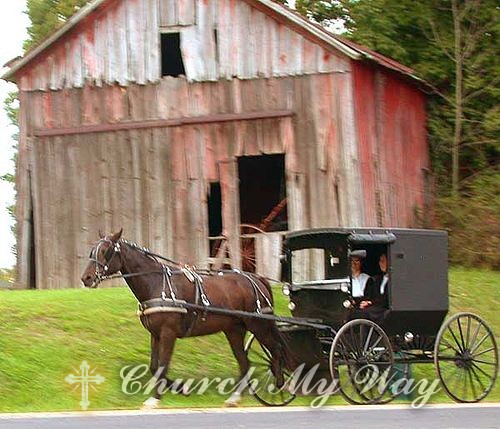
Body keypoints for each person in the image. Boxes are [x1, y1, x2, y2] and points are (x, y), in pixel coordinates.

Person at [350, 253, 390, 323]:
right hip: (374, 307)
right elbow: (370, 295)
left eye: (383, 261)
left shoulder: (394, 281)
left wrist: (371, 302)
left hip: (383, 309)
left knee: (365, 313)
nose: (381, 263)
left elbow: (387, 299)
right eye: (380, 261)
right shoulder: (376, 279)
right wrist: (366, 302)